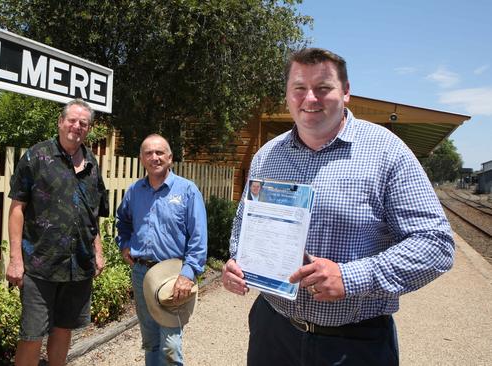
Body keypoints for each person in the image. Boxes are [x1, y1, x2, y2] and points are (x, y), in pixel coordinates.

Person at [222, 48, 454, 366]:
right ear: (288, 95)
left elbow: (435, 245)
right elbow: (244, 228)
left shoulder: (387, 152)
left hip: (355, 344)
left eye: (323, 88)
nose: (310, 99)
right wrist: (238, 263)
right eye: (299, 88)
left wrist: (350, 277)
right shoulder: (267, 156)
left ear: (345, 92)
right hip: (272, 333)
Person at [6, 98, 109, 366]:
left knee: (64, 329)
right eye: (72, 120)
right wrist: (16, 259)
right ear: (60, 122)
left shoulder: (91, 163)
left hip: (78, 265)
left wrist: (97, 250)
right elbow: (17, 208)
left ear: (89, 129)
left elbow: (92, 213)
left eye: (83, 123)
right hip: (41, 265)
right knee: (32, 334)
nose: (77, 126)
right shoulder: (36, 157)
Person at [116, 134, 208, 366]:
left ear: (170, 157)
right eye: (148, 153)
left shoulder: (187, 191)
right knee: (151, 341)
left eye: (159, 153)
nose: (154, 157)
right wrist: (124, 244)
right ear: (141, 158)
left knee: (170, 345)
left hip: (174, 276)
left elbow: (198, 237)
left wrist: (188, 275)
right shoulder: (135, 191)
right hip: (142, 274)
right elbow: (123, 221)